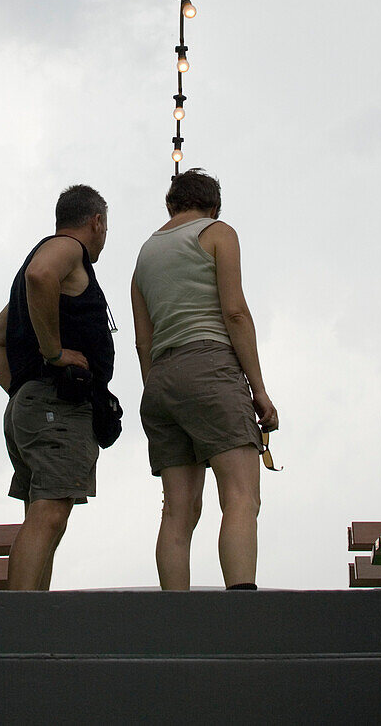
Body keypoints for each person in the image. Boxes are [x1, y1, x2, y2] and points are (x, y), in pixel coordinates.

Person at [131, 168, 278, 591]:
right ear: (213, 205)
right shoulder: (217, 233)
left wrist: (160, 391)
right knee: (240, 496)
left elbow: (143, 342)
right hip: (210, 365)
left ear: (170, 205)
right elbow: (234, 312)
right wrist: (260, 391)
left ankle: (176, 617)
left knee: (178, 512)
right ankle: (241, 605)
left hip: (160, 381)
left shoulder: (144, 255)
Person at [0, 184, 117, 590]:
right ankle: (20, 622)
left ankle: (32, 618)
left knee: (42, 515)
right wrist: (55, 356)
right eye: (105, 228)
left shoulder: (29, 281)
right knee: (51, 514)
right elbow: (42, 274)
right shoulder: (67, 251)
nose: (104, 238)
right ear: (96, 222)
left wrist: (22, 390)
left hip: (32, 407)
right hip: (56, 407)